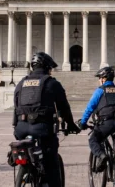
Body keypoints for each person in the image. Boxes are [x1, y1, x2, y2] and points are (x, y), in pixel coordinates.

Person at [12, 52, 79, 187]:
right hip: (42, 129)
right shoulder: (52, 83)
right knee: (51, 161)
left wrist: (16, 126)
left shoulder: (20, 84)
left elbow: (16, 107)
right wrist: (71, 125)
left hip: (21, 129)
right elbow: (63, 107)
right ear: (47, 67)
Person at [78, 66, 115, 171]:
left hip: (106, 124)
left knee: (93, 139)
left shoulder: (100, 91)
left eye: (99, 78)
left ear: (103, 79)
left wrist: (83, 122)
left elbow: (90, 108)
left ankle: (102, 156)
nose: (99, 80)